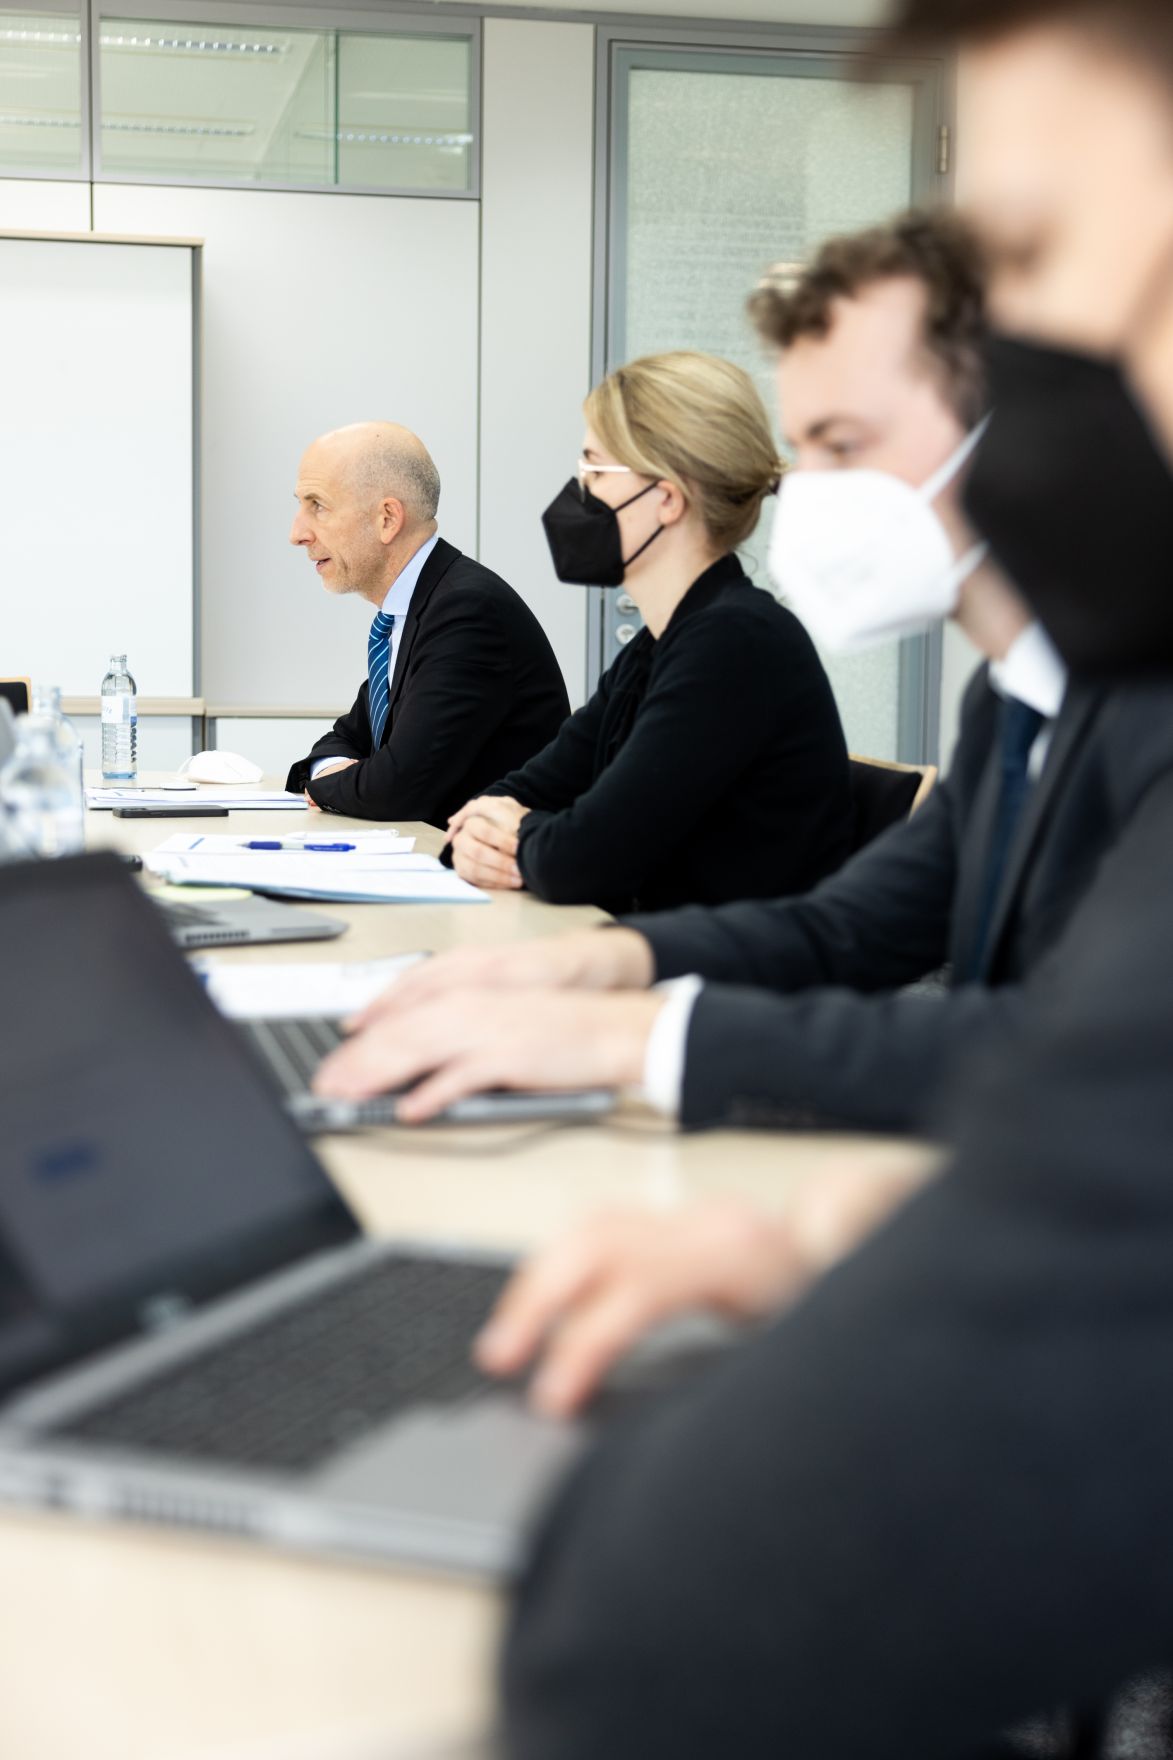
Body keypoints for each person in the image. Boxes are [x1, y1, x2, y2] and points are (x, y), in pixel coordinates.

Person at [482, 2, 1173, 1755]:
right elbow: (882, 923)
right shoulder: (1038, 681)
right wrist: (613, 977)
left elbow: (635, 1631)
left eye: (1032, 259)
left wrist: (667, 1061)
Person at [314, 213, 1173, 1136]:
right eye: (805, 450)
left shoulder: (1129, 710)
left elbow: (1085, 1056)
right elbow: (842, 925)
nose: (802, 490)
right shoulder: (1010, 699)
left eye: (841, 446)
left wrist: (632, 1038)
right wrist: (601, 965)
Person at [440, 350, 852, 914]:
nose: (578, 490)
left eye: (594, 468)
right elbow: (522, 794)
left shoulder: (737, 645)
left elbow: (585, 857)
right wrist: (488, 833)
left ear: (666, 498)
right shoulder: (661, 643)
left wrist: (520, 837)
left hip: (728, 984)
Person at [285, 422, 569, 826]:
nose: (297, 533)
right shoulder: (416, 609)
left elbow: (396, 788)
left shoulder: (466, 613)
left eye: (318, 505)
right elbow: (348, 738)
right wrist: (333, 771)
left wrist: (323, 786)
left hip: (487, 876)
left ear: (387, 519)